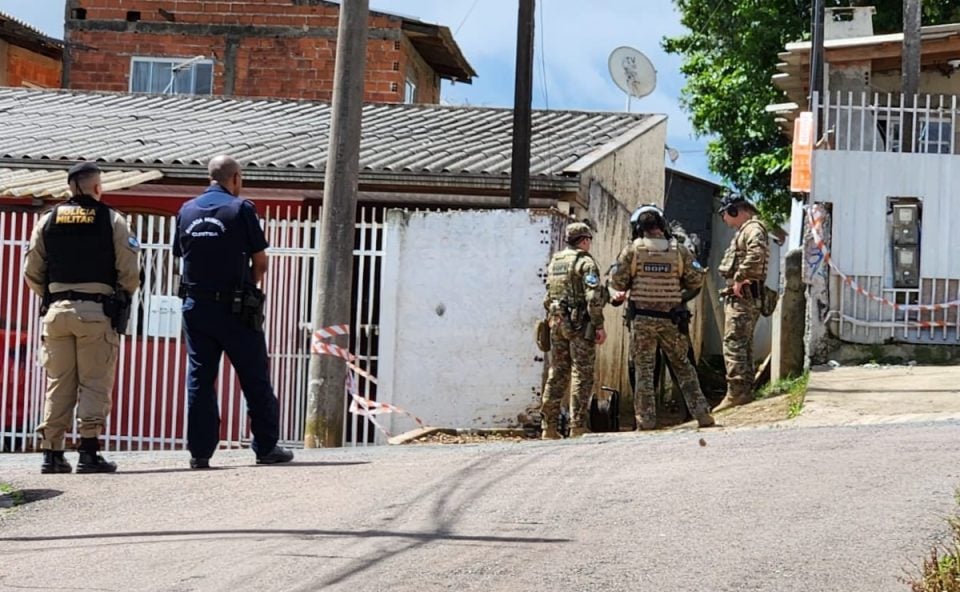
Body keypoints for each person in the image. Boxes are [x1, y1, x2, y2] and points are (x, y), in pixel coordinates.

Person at [173, 155, 293, 468]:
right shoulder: (241, 209)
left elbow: (181, 256)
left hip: (196, 306)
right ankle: (266, 447)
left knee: (200, 377)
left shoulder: (186, 210)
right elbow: (261, 261)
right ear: (236, 177)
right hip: (235, 307)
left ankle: (200, 453)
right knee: (254, 376)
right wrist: (246, 285)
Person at [24, 162, 141, 474]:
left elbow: (31, 272)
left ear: (69, 187)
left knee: (58, 382)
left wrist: (55, 296)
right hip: (95, 312)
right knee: (94, 382)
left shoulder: (47, 220)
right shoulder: (113, 220)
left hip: (56, 312)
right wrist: (118, 295)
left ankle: (52, 453)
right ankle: (89, 452)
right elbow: (130, 272)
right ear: (97, 187)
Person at [608, 205, 715, 430]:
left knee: (644, 372)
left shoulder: (632, 251)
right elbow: (696, 281)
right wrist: (675, 292)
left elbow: (617, 282)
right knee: (684, 368)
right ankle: (703, 415)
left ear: (640, 228)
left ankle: (646, 421)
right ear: (662, 226)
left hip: (642, 321)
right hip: (671, 320)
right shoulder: (680, 251)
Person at [539, 222, 608, 439]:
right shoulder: (585, 263)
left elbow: (547, 298)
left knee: (557, 373)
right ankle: (577, 426)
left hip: (556, 322)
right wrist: (598, 325)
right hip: (579, 325)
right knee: (582, 372)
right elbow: (593, 297)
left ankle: (548, 427)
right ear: (584, 240)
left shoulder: (555, 262)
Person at [716, 192, 770, 409]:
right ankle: (743, 390)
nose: (725, 220)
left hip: (744, 297)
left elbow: (756, 256)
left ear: (734, 210)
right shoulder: (747, 230)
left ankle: (737, 392)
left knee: (734, 343)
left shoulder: (753, 229)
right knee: (742, 343)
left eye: (725, 214)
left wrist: (739, 279)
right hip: (744, 296)